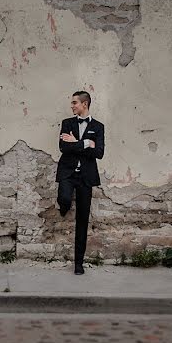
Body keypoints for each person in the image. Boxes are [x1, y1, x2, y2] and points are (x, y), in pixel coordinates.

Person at [56, 91, 105, 275]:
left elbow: (99, 152)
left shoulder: (98, 127)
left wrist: (76, 142)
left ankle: (78, 263)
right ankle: (63, 205)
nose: (72, 106)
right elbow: (63, 147)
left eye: (75, 102)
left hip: (86, 176)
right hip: (68, 173)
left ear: (85, 104)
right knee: (65, 198)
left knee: (82, 220)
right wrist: (86, 144)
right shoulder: (67, 123)